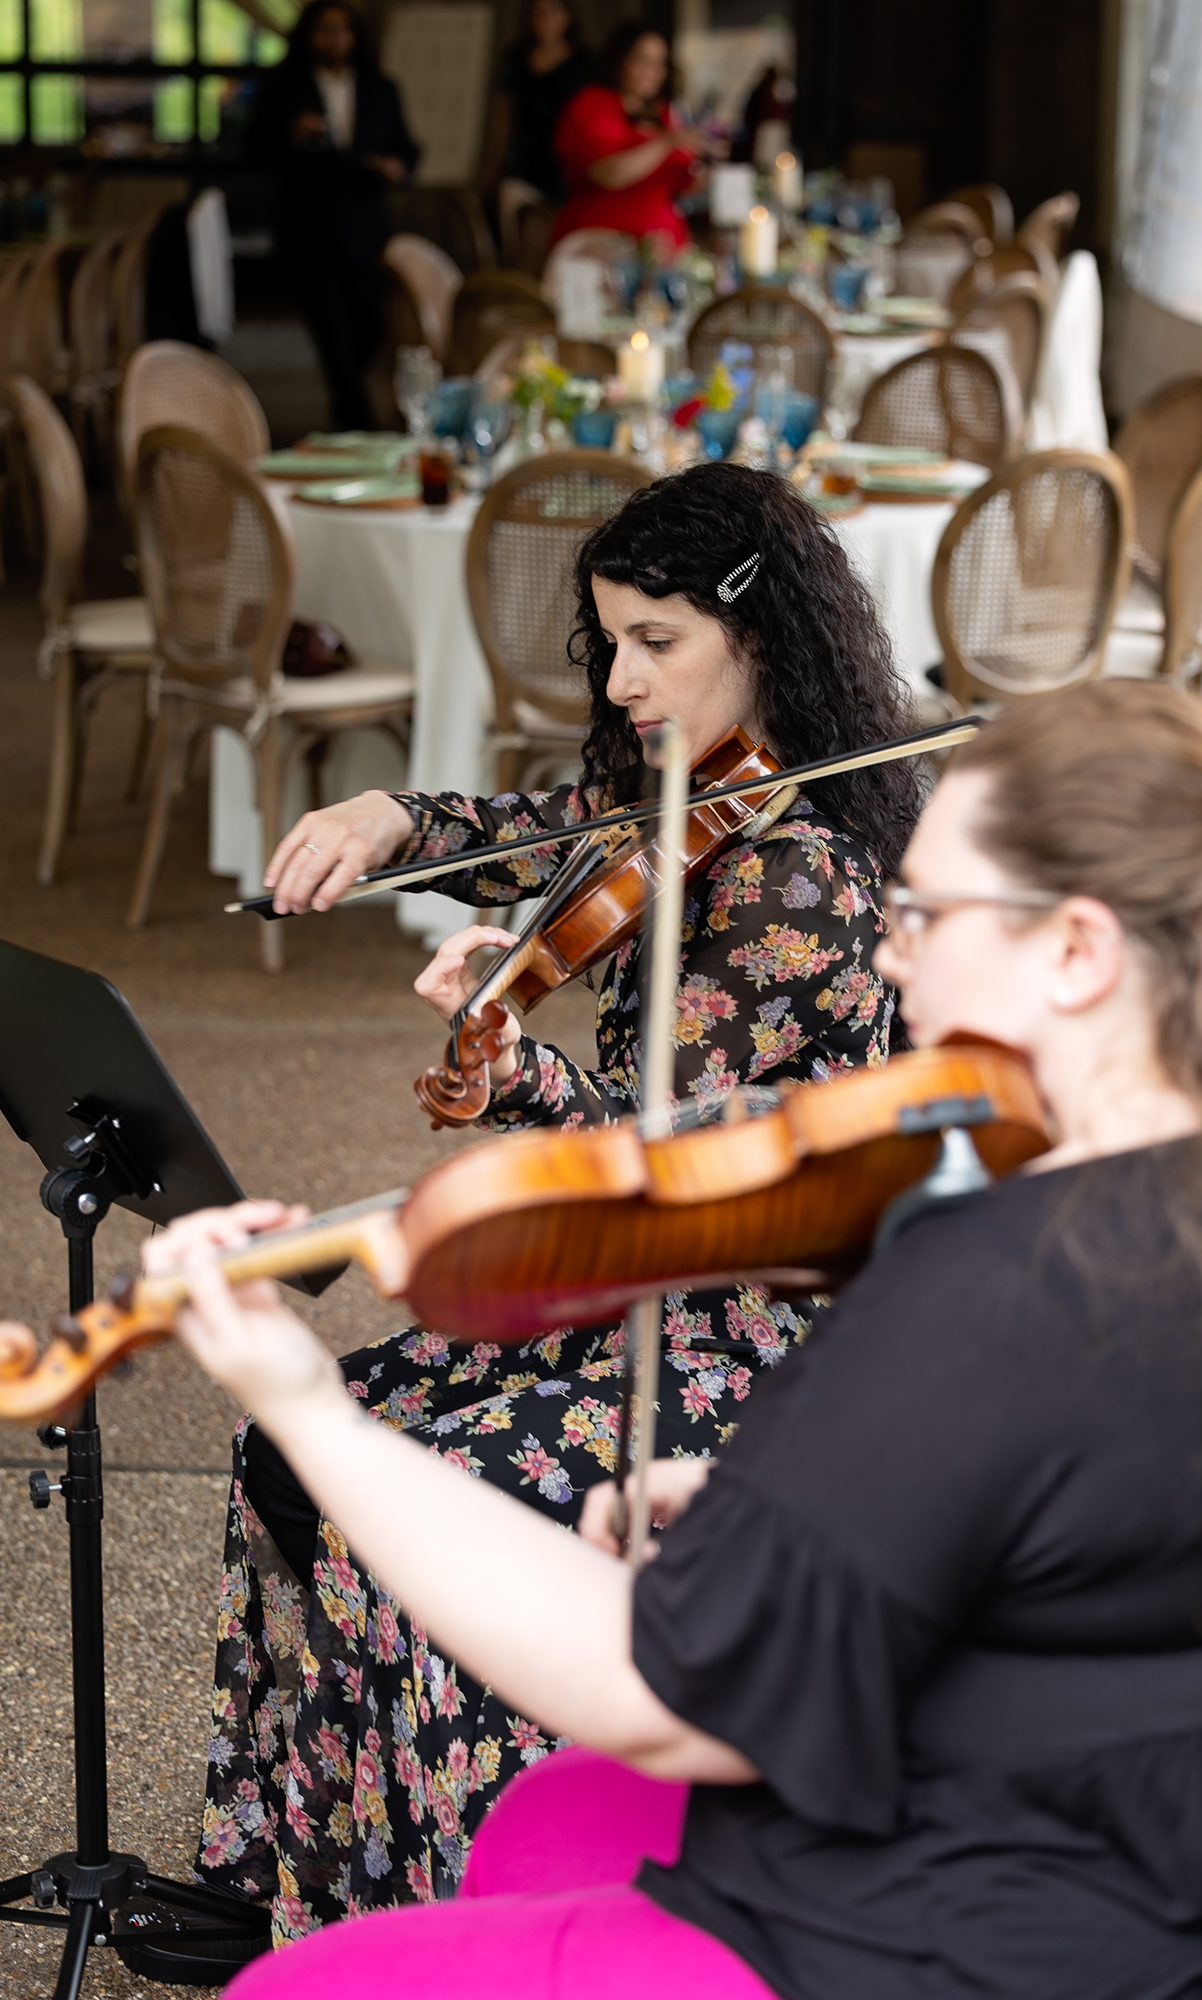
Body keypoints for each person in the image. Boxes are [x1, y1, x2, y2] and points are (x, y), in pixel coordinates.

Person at [118, 679, 1202, 1999]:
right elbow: (1113, 1528)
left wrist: (303, 1403)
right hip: (1163, 1866)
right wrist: (783, 1510)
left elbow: (646, 1690)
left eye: (923, 913)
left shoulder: (996, 1281)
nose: (888, 954)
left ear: (1077, 952)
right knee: (542, 1818)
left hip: (941, 1936)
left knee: (286, 1992)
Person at [188, 464, 922, 1939]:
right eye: (609, 644)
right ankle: (293, 1881)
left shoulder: (801, 882)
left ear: (759, 632)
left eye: (657, 642)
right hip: (645, 1286)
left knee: (424, 1498)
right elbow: (541, 827)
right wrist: (396, 817)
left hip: (759, 1328)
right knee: (299, 1453)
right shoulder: (678, 796)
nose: (625, 680)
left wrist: (518, 1072)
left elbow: (667, 1171)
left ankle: (486, 1909)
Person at [250, 0, 419, 431]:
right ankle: (356, 424)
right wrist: (293, 134)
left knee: (371, 325)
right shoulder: (284, 87)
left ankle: (350, 408)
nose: (335, 39)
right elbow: (252, 149)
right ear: (309, 34)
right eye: (325, 29)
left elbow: (407, 147)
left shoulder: (381, 88)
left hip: (364, 225)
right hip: (309, 226)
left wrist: (395, 167)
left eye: (343, 29)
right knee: (333, 333)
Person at [549, 21, 724, 251]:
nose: (652, 71)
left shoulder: (664, 114)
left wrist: (715, 177)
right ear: (620, 60)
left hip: (662, 245)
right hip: (600, 244)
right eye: (642, 60)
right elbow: (607, 173)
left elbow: (678, 184)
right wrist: (668, 141)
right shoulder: (591, 105)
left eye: (659, 63)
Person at [481, 0, 594, 210]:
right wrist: (493, 165)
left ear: (569, 16)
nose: (546, 20)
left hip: (564, 161)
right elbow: (504, 116)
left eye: (553, 12)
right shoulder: (515, 58)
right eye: (539, 14)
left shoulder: (585, 63)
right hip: (522, 159)